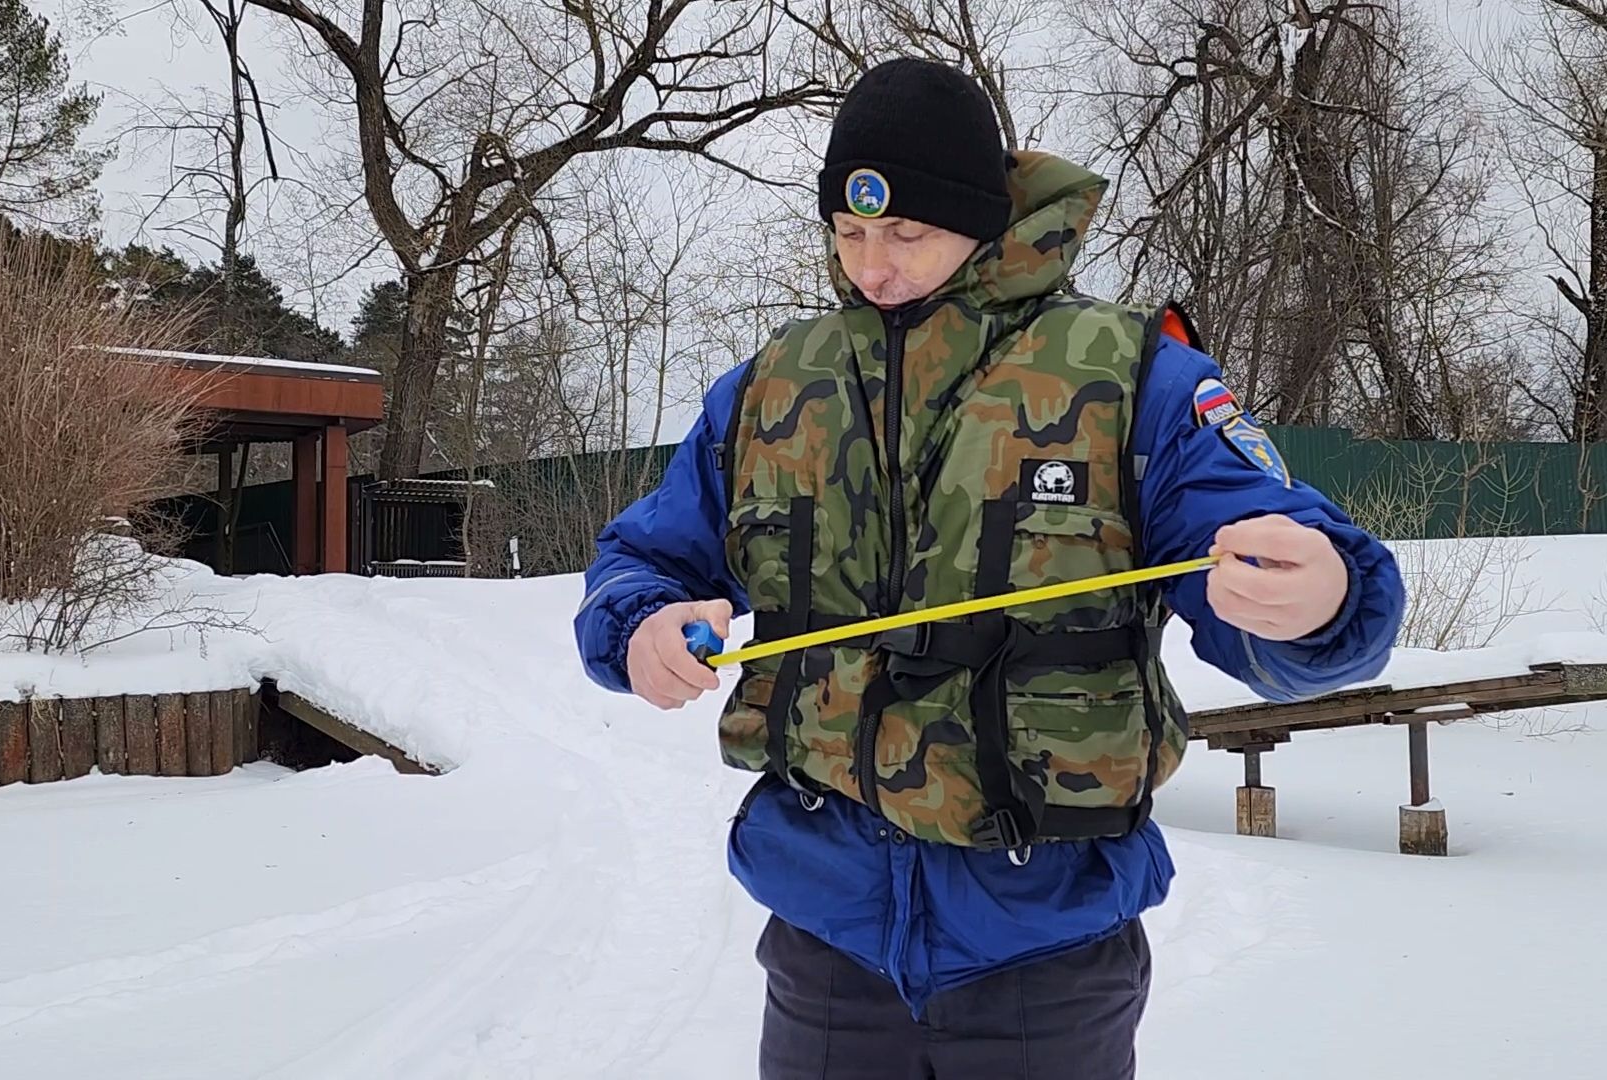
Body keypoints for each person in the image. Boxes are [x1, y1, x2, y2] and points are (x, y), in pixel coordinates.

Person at [575, 58, 1404, 1080]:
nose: (871, 268)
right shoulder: (767, 392)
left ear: (982, 220)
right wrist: (642, 628)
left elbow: (1292, 567)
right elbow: (642, 560)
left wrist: (1321, 599)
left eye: (906, 234)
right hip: (827, 948)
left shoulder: (1133, 377)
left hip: (1044, 956)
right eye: (849, 233)